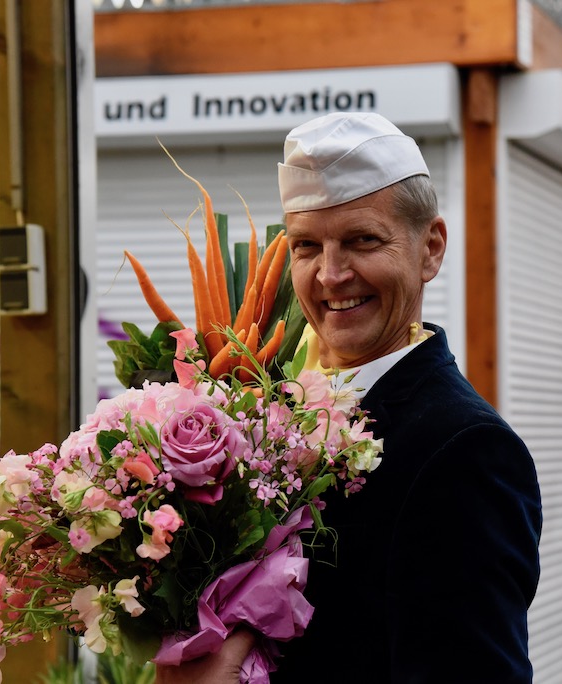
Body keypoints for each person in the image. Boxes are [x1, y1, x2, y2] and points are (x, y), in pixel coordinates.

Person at [157, 112, 541, 683]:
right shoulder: (272, 407)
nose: (331, 275)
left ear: (430, 248)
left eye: (363, 240)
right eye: (307, 246)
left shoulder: (466, 451)